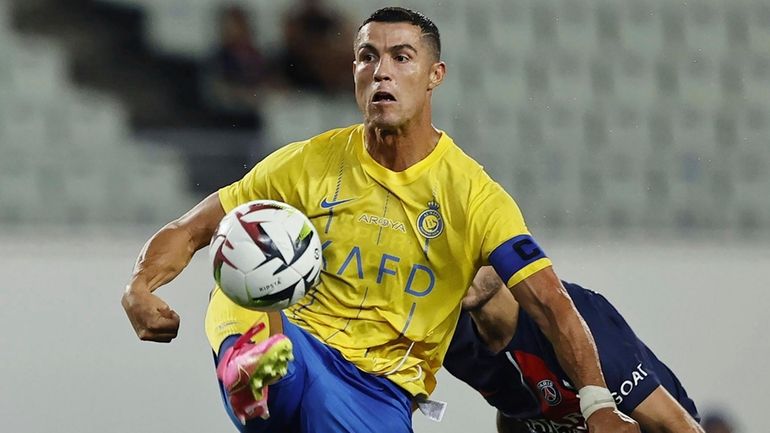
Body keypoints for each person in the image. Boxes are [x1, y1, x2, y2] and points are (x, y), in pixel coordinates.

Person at [121, 7, 639, 433]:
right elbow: (193, 227)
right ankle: (252, 366)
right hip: (299, 347)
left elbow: (549, 302)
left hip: (378, 389)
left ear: (435, 76)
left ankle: (258, 372)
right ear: (354, 73)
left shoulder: (474, 197)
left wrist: (597, 404)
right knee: (244, 254)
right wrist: (139, 287)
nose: (381, 71)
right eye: (367, 57)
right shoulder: (309, 163)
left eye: (401, 57)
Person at [445, 267, 704, 433]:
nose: (463, 262)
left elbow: (674, 424)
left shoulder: (572, 322)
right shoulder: (453, 341)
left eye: (474, 249)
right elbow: (518, 409)